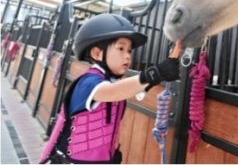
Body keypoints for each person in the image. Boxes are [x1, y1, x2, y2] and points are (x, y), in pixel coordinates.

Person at [39, 13, 180, 164]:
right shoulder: (88, 81)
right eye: (121, 48)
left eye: (129, 51)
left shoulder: (111, 81)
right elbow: (114, 92)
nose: (127, 56)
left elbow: (128, 89)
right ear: (97, 53)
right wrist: (156, 73)